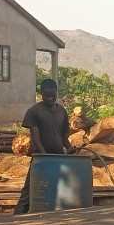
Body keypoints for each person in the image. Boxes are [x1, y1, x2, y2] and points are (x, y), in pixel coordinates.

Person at [14, 79, 75, 215]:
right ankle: (16, 219)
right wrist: (44, 155)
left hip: (58, 158)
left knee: (56, 191)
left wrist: (70, 148)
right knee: (29, 191)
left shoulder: (62, 112)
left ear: (56, 94)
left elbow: (64, 138)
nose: (50, 98)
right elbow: (36, 138)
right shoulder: (34, 111)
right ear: (41, 93)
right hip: (40, 159)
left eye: (52, 96)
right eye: (46, 96)